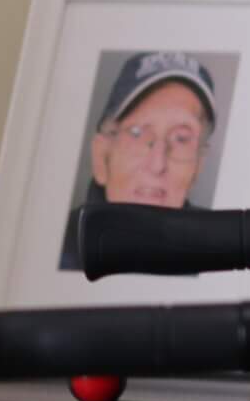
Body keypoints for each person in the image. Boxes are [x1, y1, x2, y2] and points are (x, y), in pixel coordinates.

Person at [58, 51, 219, 272]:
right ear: (102, 156)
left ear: (197, 167)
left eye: (181, 139)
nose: (157, 165)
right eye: (136, 133)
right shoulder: (53, 245)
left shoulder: (220, 249)